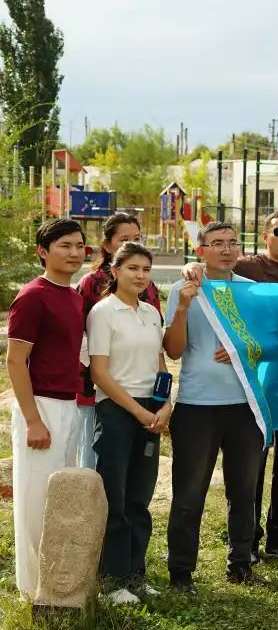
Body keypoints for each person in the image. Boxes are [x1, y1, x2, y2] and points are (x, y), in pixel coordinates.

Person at [183, 209, 278, 563]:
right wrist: (191, 269)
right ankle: (250, 542)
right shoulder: (244, 269)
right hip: (253, 386)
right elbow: (208, 268)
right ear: (265, 236)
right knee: (251, 470)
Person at [164, 222, 263, 593]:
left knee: (244, 491)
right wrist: (185, 305)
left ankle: (241, 564)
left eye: (232, 242)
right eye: (216, 243)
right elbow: (173, 350)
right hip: (196, 405)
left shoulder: (252, 292)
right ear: (201, 250)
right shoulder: (185, 289)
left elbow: (265, 345)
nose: (225, 249)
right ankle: (181, 572)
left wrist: (244, 349)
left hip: (244, 406)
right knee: (189, 493)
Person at [6, 219, 87, 600]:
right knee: (35, 499)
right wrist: (33, 420)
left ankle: (59, 582)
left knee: (60, 499)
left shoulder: (73, 296)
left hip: (68, 406)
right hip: (39, 408)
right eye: (64, 246)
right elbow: (15, 361)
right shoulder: (33, 296)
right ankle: (32, 589)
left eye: (78, 245)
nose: (74, 253)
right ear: (43, 251)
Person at [87, 242, 171, 604]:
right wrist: (137, 412)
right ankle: (112, 581)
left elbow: (160, 365)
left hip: (151, 411)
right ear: (115, 270)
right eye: (132, 268)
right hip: (117, 411)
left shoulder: (152, 312)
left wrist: (166, 405)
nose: (140, 275)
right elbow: (99, 373)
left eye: (145, 269)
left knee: (140, 497)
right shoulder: (103, 312)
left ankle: (136, 574)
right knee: (115, 498)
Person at [76, 212, 161, 469]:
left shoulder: (148, 288)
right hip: (100, 389)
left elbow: (156, 343)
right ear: (107, 245)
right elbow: (78, 335)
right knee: (98, 463)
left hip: (142, 390)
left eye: (137, 238)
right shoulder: (90, 284)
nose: (132, 244)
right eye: (124, 239)